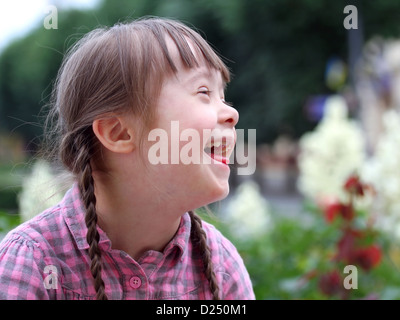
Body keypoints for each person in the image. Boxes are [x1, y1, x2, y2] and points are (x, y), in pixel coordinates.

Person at [0, 17, 255, 300]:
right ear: (119, 132)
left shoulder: (223, 267)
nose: (232, 114)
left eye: (224, 96)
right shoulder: (30, 263)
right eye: (204, 92)